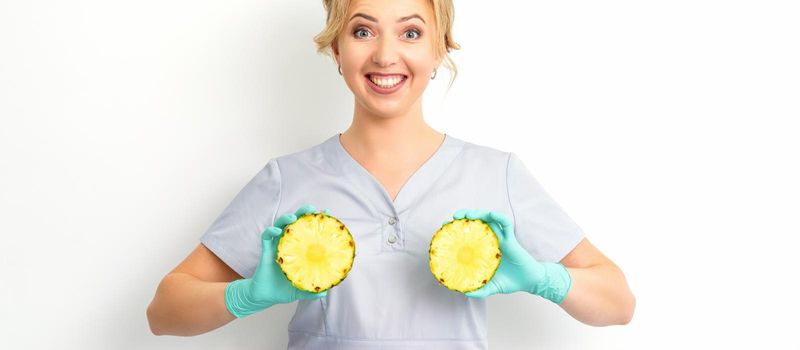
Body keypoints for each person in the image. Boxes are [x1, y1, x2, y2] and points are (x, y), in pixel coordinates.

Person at [146, 0, 636, 348]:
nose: (384, 55)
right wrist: (246, 295)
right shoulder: (285, 179)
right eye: (362, 31)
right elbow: (164, 313)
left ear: (439, 49)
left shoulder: (497, 173)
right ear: (336, 50)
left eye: (411, 32)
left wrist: (545, 279)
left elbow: (618, 303)